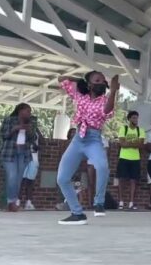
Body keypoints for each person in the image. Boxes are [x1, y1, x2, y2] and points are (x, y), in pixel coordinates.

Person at [56, 71, 119, 225]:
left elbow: (107, 110)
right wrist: (80, 80)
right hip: (78, 139)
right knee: (62, 178)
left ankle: (99, 203)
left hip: (93, 138)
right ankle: (77, 213)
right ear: (89, 84)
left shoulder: (105, 100)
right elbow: (61, 78)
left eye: (103, 81)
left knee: (102, 166)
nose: (101, 83)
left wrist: (113, 91)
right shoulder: (79, 95)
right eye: (97, 80)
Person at [0, 103, 39, 212]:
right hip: (9, 152)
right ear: (20, 111)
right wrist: (15, 128)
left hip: (23, 153)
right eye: (27, 111)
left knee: (18, 179)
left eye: (30, 112)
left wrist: (29, 130)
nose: (29, 113)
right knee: (12, 176)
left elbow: (33, 138)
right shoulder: (9, 120)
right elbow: (3, 135)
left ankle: (12, 203)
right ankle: (11, 201)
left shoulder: (31, 122)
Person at [117, 111, 144, 210]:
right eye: (133, 118)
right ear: (129, 119)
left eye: (136, 118)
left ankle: (131, 203)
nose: (135, 120)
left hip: (135, 158)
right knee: (121, 180)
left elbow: (141, 145)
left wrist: (128, 142)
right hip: (124, 157)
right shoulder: (123, 129)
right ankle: (121, 202)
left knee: (133, 180)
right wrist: (134, 142)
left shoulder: (140, 130)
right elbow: (122, 144)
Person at [21, 128, 42, 211]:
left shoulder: (35, 131)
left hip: (34, 159)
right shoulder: (21, 129)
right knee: (21, 181)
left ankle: (28, 203)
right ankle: (17, 201)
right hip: (24, 158)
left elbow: (42, 142)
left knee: (30, 182)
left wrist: (36, 129)